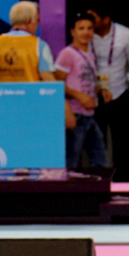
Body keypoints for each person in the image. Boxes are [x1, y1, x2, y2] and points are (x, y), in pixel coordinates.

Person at [87, 5, 129, 182]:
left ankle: (124, 184)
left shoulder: (125, 34)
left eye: (93, 18)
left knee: (122, 144)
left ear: (106, 19)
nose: (89, 23)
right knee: (96, 144)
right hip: (94, 95)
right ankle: (99, 183)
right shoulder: (86, 34)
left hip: (119, 92)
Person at [55, 12, 110, 170]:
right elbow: (57, 84)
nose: (86, 32)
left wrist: (101, 90)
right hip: (74, 115)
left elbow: (85, 80)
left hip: (89, 115)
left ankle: (100, 192)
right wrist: (79, 96)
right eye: (81, 28)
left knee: (100, 160)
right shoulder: (67, 54)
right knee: (70, 161)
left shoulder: (90, 54)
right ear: (73, 31)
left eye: (89, 28)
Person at [0, 0, 56, 82]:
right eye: (37, 20)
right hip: (29, 94)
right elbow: (47, 78)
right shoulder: (39, 45)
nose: (38, 25)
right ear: (28, 21)